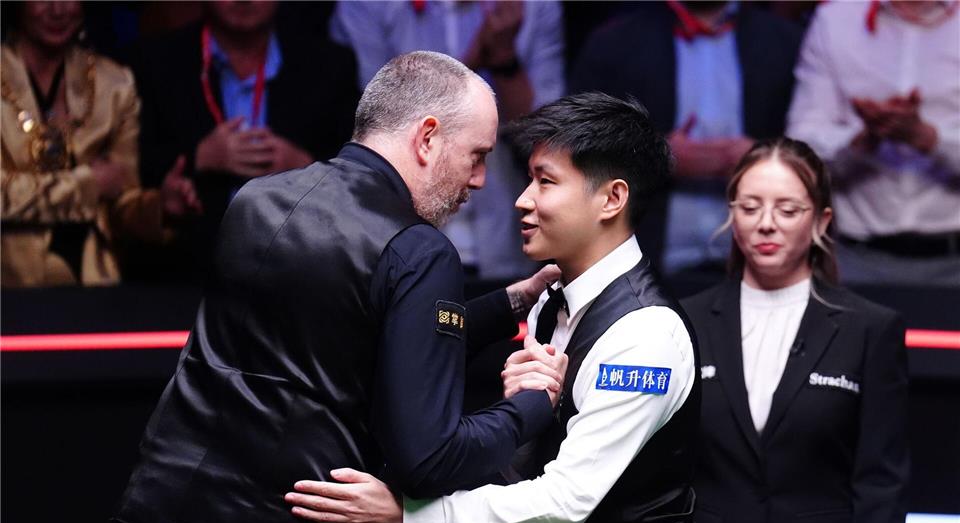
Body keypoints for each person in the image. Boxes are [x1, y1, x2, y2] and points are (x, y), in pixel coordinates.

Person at [112, 51, 567, 523]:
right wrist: (532, 405)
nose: (481, 180)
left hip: (156, 521)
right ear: (427, 137)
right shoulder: (418, 250)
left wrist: (505, 305)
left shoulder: (256, 197)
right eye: (477, 156)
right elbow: (427, 459)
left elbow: (345, 324)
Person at [286, 92, 724, 523]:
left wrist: (404, 514)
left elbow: (564, 500)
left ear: (611, 198)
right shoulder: (549, 301)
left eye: (546, 181)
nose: (520, 200)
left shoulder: (645, 335)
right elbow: (523, 464)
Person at [680, 138, 909, 523]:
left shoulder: (868, 330)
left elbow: (880, 494)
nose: (767, 223)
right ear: (731, 214)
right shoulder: (683, 324)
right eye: (750, 206)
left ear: (822, 221)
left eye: (787, 209)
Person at [331, 0, 565, 280]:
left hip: (504, 232)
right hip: (400, 236)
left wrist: (504, 57)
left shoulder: (534, 5)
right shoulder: (369, 5)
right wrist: (475, 57)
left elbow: (544, 136)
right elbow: (380, 119)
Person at [130, 0, 360, 282]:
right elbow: (132, 169)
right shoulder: (156, 61)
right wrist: (198, 158)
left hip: (304, 274)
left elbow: (362, 176)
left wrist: (308, 168)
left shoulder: (329, 65)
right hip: (187, 277)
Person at [569, 1, 802, 279]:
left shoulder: (785, 41)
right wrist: (653, 156)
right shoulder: (614, 41)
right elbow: (573, 150)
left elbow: (815, 147)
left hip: (758, 266)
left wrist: (763, 158)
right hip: (645, 265)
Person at [1, 0, 200, 287]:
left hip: (94, 293)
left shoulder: (115, 84)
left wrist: (161, 208)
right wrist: (89, 185)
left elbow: (121, 206)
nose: (58, 10)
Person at [786, 0, 960, 287]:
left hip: (954, 263)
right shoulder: (836, 20)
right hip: (858, 260)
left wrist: (927, 138)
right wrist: (863, 140)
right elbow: (799, 151)